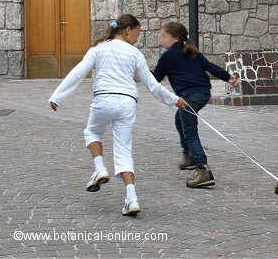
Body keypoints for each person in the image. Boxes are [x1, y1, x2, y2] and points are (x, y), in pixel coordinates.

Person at [48, 14, 187, 216]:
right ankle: (132, 199)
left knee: (92, 132)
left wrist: (57, 97)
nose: (137, 39)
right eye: (137, 34)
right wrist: (175, 100)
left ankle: (100, 168)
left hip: (103, 99)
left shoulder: (98, 49)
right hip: (127, 103)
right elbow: (153, 85)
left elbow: (78, 73)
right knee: (123, 151)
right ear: (127, 30)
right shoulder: (135, 54)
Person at [153, 22, 238, 188]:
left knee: (190, 132)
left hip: (189, 97)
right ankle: (190, 156)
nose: (160, 38)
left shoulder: (168, 57)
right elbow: (210, 67)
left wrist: (137, 72)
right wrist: (228, 77)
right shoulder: (192, 53)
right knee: (179, 120)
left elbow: (155, 79)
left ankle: (203, 170)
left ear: (175, 38)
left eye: (163, 35)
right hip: (203, 94)